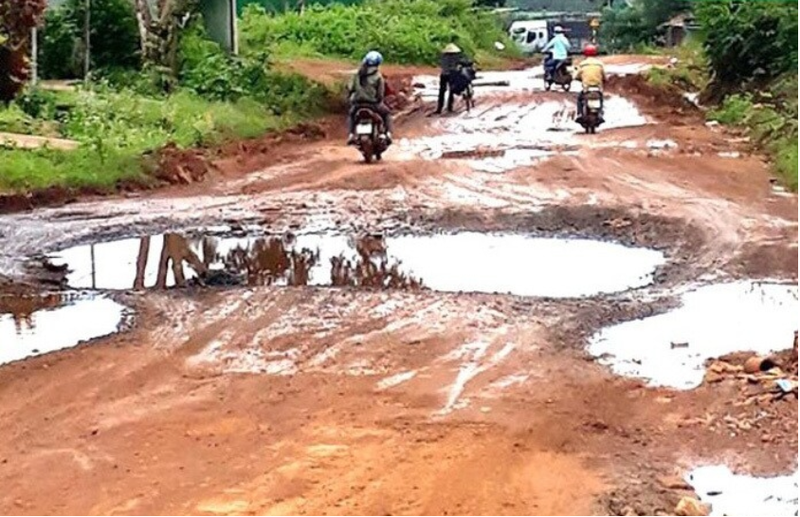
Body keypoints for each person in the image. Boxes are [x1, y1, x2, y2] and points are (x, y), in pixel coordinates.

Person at [346, 51, 393, 145]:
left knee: (351, 115)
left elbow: (350, 88)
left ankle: (351, 134)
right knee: (387, 114)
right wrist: (379, 101)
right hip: (373, 104)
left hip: (357, 104)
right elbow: (380, 93)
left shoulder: (357, 74)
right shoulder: (378, 76)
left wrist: (351, 98)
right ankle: (388, 134)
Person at [435, 43, 471, 115]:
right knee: (451, 91)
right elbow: (464, 63)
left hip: (444, 75)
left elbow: (441, 64)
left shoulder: (443, 57)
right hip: (452, 75)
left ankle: (439, 108)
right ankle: (449, 107)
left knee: (442, 91)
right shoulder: (456, 57)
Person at [573, 43, 606, 123]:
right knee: (601, 99)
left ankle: (579, 114)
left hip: (586, 88)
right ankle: (600, 113)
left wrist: (579, 79)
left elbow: (576, 76)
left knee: (579, 99)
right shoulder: (600, 64)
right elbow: (604, 76)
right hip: (597, 88)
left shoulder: (582, 64)